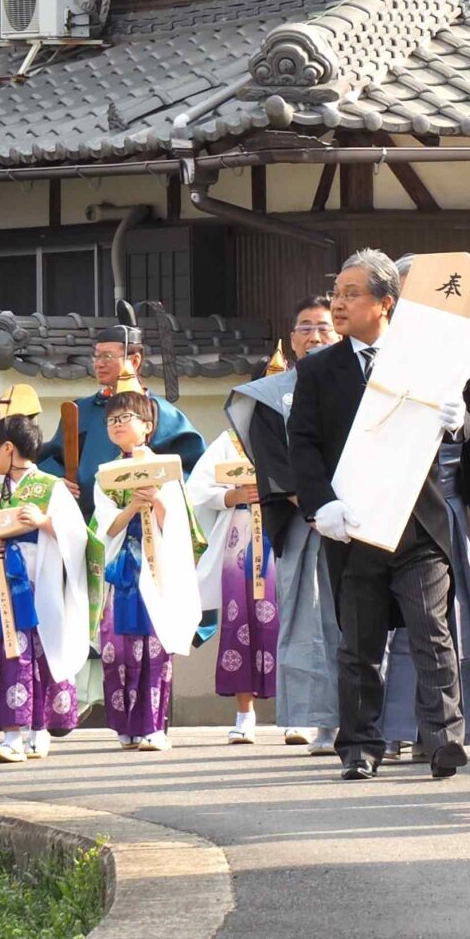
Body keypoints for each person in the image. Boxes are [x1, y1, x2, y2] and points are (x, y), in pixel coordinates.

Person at [288, 250, 470, 782]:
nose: (338, 303)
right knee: (358, 643)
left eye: (351, 294)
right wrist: (320, 504)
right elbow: (303, 447)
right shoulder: (317, 370)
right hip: (353, 524)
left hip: (421, 521)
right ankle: (359, 746)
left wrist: (459, 420)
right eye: (337, 293)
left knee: (433, 632)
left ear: (387, 303)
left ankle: (444, 739)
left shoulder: (428, 358)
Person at [227, 296, 341, 750]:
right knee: (308, 620)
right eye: (305, 327)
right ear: (291, 339)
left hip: (357, 520)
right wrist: (316, 506)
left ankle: (368, 718)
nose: (315, 336)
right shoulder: (272, 395)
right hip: (302, 522)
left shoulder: (359, 383)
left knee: (358, 621)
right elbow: (273, 461)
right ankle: (319, 721)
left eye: (325, 327)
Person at [0, 413, 91, 763]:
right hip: (0, 583)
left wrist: (43, 522)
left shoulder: (51, 488)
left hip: (40, 581)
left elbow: (78, 536)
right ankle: (12, 736)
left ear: (8, 448)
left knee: (41, 652)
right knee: (6, 654)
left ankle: (38, 731)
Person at [97, 387, 198, 753]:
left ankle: (154, 725)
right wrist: (131, 505)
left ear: (148, 425)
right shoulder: (106, 474)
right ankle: (125, 725)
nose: (117, 425)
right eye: (111, 419)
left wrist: (154, 498)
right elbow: (104, 526)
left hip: (156, 566)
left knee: (154, 646)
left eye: (125, 418)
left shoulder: (166, 468)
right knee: (119, 647)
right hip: (123, 568)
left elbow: (178, 523)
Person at [38, 316, 205, 514]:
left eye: (107, 356)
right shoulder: (80, 409)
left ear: (134, 360)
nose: (98, 364)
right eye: (96, 356)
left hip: (145, 516)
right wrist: (58, 482)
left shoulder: (158, 411)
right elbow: (52, 459)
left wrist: (159, 490)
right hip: (89, 518)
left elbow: (194, 469)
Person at [190, 420, 276, 745]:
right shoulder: (231, 440)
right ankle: (245, 713)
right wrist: (232, 495)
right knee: (240, 621)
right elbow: (197, 487)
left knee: (289, 622)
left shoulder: (296, 428)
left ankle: (301, 715)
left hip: (282, 531)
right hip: (239, 537)